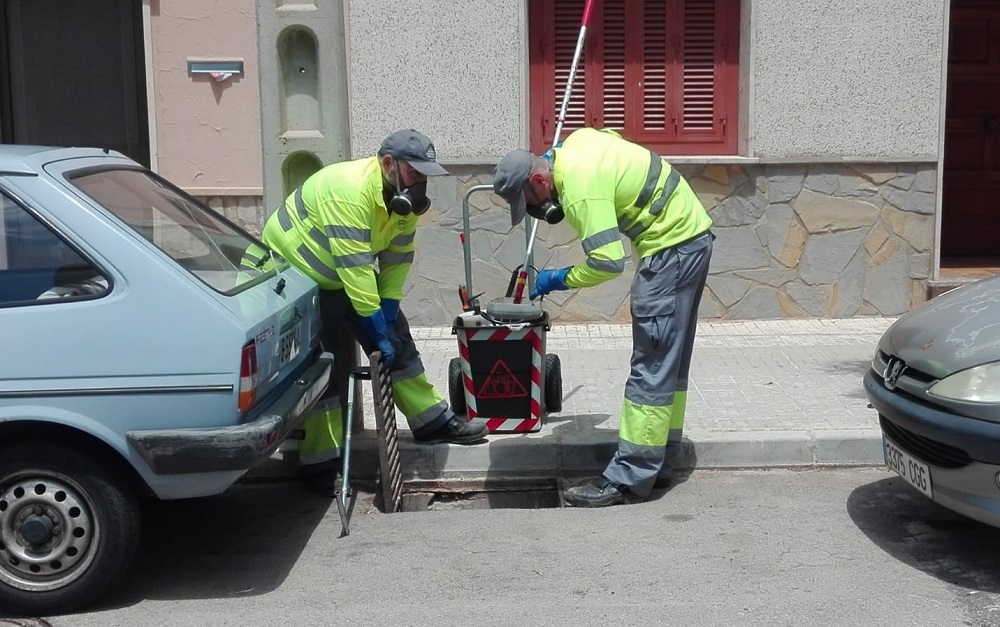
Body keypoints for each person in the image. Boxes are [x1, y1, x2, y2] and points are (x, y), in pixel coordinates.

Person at [492, 127, 714, 507]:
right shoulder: (575, 145)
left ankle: (630, 476)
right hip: (690, 239)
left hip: (670, 250)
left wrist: (559, 279)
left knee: (652, 362)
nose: (534, 211)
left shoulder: (580, 191)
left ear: (541, 179)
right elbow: (611, 136)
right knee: (668, 363)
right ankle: (659, 461)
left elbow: (609, 262)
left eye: (529, 201)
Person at [260, 129, 488, 496]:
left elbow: (396, 259)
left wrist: (389, 306)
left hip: (341, 275)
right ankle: (320, 465)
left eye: (425, 175)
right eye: (415, 173)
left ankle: (431, 421)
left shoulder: (402, 202)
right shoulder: (348, 191)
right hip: (299, 276)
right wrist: (373, 322)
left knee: (398, 337)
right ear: (388, 164)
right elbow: (355, 266)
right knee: (326, 363)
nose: (421, 183)